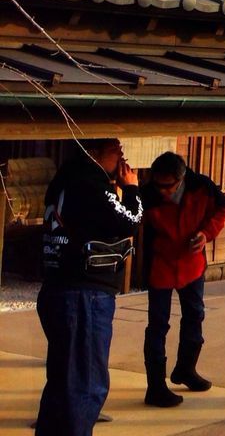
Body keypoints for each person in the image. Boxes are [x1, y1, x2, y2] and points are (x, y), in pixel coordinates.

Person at [36, 138, 143, 436]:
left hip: (58, 287)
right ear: (93, 153)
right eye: (114, 149)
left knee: (62, 382)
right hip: (84, 293)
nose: (121, 154)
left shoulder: (63, 179)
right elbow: (130, 221)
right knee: (85, 384)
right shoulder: (91, 182)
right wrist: (132, 189)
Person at [140, 151, 225, 407]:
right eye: (158, 185)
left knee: (195, 315)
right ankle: (155, 386)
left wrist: (206, 234)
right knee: (158, 325)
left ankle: (185, 369)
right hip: (160, 265)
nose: (163, 191)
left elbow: (221, 209)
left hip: (192, 263)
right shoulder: (148, 194)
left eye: (168, 186)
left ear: (181, 178)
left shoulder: (202, 186)